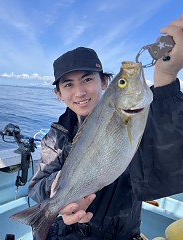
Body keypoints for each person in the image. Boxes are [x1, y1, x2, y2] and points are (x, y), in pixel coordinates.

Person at [28, 16, 183, 240]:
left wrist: (166, 77)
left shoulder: (140, 121)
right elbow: (37, 186)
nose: (80, 92)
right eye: (68, 84)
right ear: (59, 94)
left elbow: (167, 159)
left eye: (87, 79)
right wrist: (61, 192)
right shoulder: (54, 137)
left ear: (104, 82)